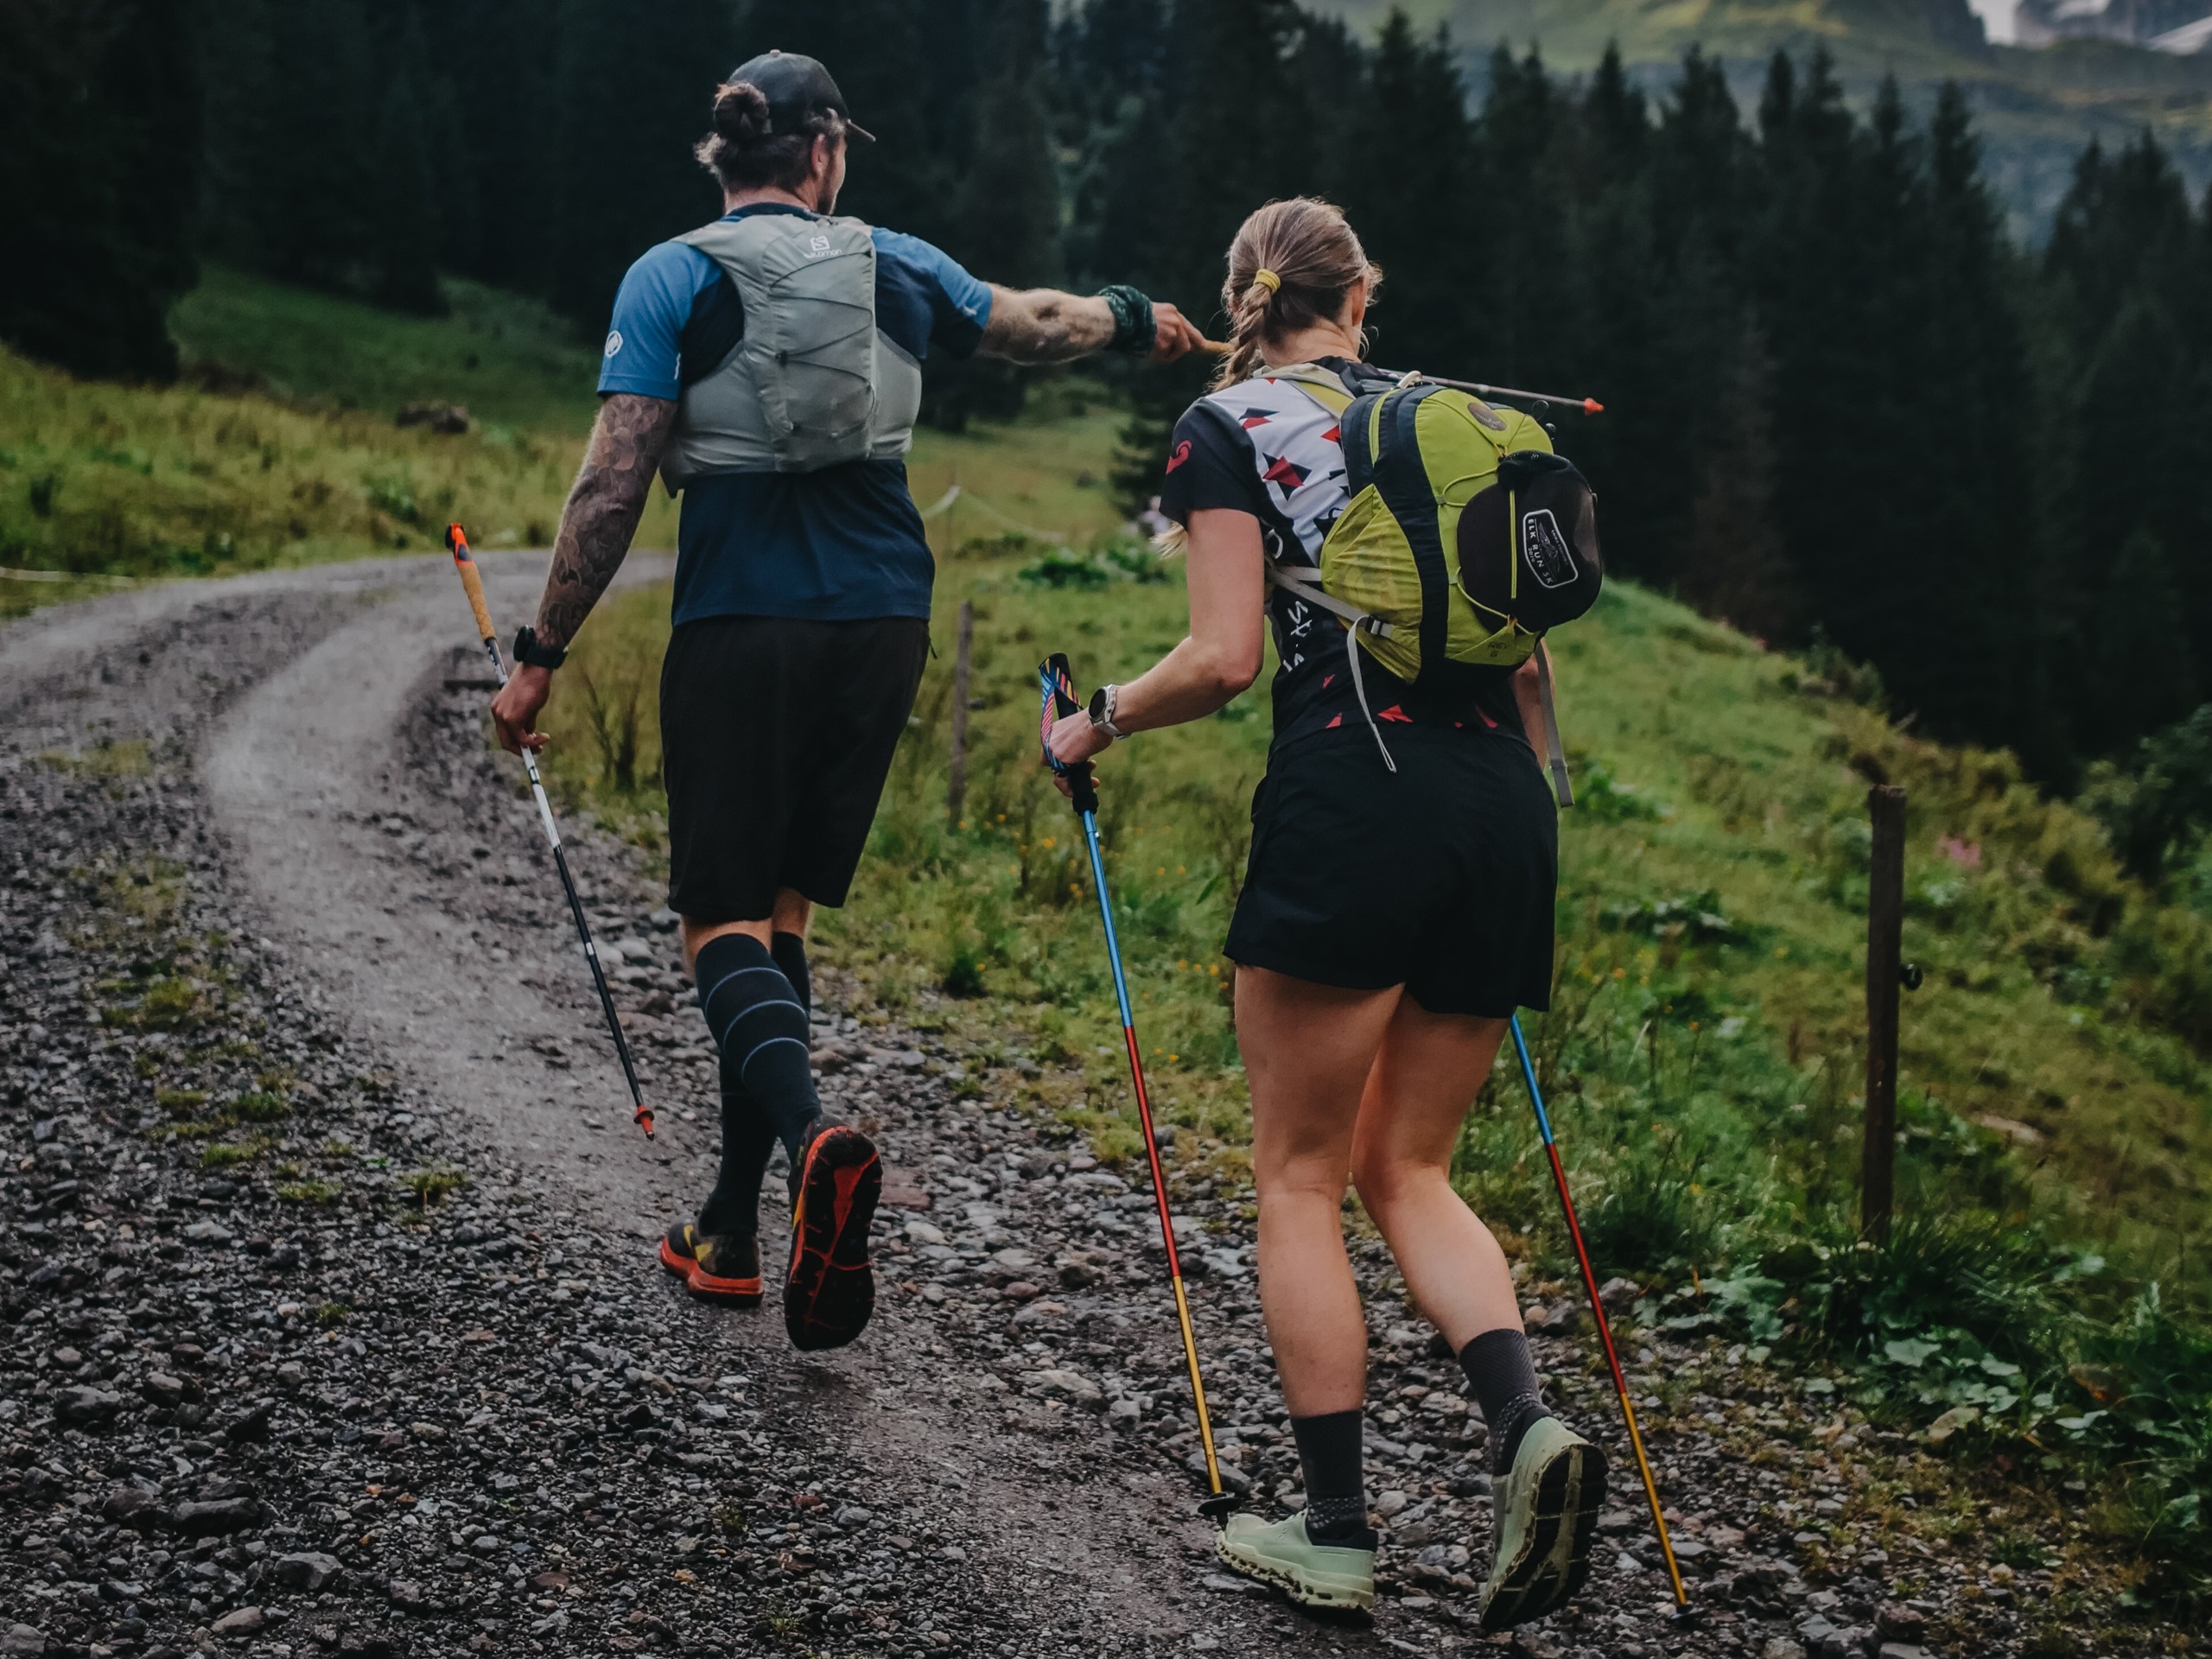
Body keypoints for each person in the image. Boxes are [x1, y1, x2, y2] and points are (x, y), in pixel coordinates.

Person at [490, 50, 1203, 1352]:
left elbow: (614, 480)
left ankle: (815, 1138)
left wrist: (542, 649)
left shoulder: (671, 276)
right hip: (883, 620)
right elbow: (1036, 323)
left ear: (725, 157)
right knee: (783, 915)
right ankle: (731, 1228)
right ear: (822, 152)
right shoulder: (895, 261)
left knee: (719, 923)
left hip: (741, 620)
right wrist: (1131, 314)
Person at [1044, 197, 1602, 1630]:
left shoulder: (1226, 426)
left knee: (1300, 1175)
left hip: (1358, 794)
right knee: (1411, 1166)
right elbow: (1528, 669)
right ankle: (1528, 1425)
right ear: (1361, 299)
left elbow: (1225, 658)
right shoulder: (1459, 422)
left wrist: (1096, 719)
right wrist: (1512, 809)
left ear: (1245, 298)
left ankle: (1336, 1530)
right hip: (1504, 814)